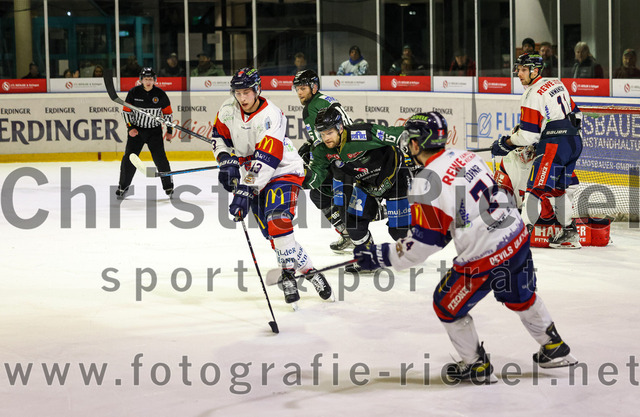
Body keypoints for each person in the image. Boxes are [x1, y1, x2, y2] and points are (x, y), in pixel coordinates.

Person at [353, 112, 578, 383]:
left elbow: (422, 246)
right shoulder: (467, 156)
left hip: (484, 255)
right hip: (516, 237)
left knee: (446, 304)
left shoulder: (425, 182)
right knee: (520, 296)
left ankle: (477, 366)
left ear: (414, 144)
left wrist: (382, 256)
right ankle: (555, 347)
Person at [211, 67, 332, 306]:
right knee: (274, 235)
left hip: (282, 170)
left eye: (247, 92)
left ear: (257, 89)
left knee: (278, 220)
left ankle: (288, 276)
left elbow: (268, 158)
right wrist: (226, 161)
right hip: (253, 174)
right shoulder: (227, 110)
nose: (242, 98)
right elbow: (219, 138)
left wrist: (245, 189)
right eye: (238, 93)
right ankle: (311, 272)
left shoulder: (272, 115)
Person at [491, 53, 583, 248]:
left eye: (524, 70)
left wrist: (507, 142)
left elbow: (527, 136)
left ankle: (520, 237)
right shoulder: (556, 83)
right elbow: (577, 115)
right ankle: (569, 233)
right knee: (558, 190)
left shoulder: (531, 94)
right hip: (575, 142)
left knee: (534, 189)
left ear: (535, 71)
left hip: (554, 145)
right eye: (518, 69)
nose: (519, 73)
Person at [305, 106, 410, 273]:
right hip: (367, 184)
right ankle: (369, 261)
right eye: (322, 134)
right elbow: (315, 178)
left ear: (340, 128)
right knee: (353, 224)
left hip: (395, 178)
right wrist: (301, 175)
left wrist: (419, 144)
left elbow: (399, 134)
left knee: (399, 232)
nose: (326, 138)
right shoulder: (321, 150)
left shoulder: (361, 134)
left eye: (329, 132)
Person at [293, 69, 356, 253]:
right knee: (326, 195)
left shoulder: (310, 108)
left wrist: (313, 153)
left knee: (322, 195)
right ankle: (351, 234)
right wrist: (309, 144)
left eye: (303, 88)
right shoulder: (324, 99)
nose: (299, 93)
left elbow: (323, 143)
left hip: (340, 158)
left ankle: (353, 236)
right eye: (297, 89)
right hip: (349, 152)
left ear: (314, 87)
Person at [116, 67, 175, 199]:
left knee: (161, 159)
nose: (148, 82)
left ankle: (168, 186)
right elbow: (126, 112)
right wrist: (130, 128)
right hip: (137, 131)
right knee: (129, 159)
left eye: (150, 79)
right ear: (141, 80)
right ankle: (123, 186)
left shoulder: (160, 94)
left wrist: (169, 130)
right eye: (145, 79)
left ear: (154, 80)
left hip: (154, 132)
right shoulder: (133, 92)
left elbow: (168, 114)